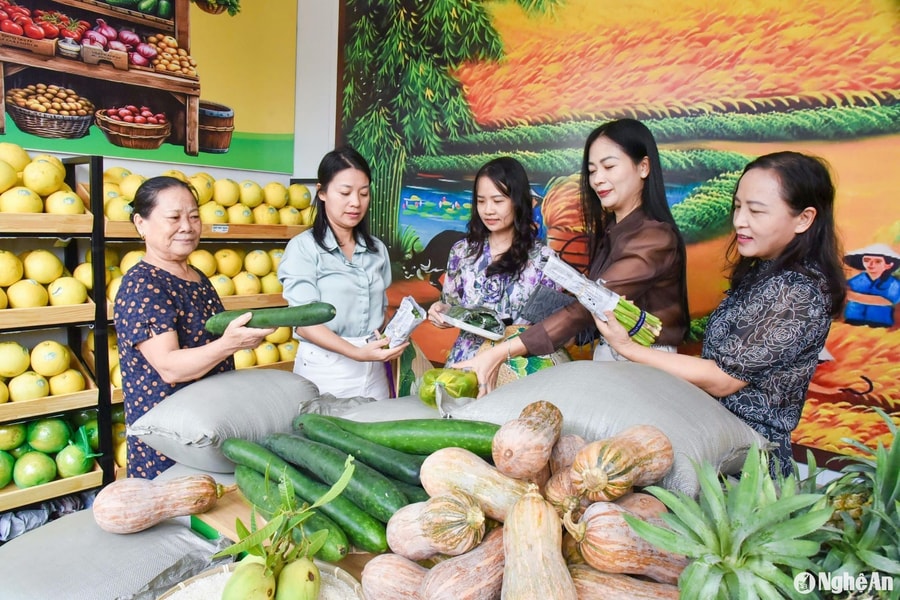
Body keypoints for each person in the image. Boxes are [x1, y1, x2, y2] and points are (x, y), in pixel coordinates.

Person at [591, 151, 847, 477]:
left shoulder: (796, 292)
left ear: (804, 218)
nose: (740, 220)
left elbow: (723, 379)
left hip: (746, 466)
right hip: (714, 441)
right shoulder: (767, 270)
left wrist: (629, 349)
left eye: (756, 211)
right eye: (738, 206)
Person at [456, 119, 689, 391]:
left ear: (643, 167)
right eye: (592, 171)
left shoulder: (655, 238)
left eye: (609, 166)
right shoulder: (613, 232)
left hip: (647, 369)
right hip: (612, 358)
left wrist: (499, 353)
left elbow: (590, 305)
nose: (598, 179)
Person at [114, 176, 275, 479]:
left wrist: (238, 339)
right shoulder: (143, 285)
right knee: (175, 515)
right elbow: (169, 367)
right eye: (174, 217)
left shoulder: (197, 277)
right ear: (141, 223)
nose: (187, 226)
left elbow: (209, 342)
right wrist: (229, 344)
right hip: (171, 438)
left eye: (194, 216)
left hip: (207, 426)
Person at [278, 146, 407, 398]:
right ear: (322, 192)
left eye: (364, 193)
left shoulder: (376, 250)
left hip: (373, 366)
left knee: (375, 432)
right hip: (326, 367)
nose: (355, 203)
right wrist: (355, 352)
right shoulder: (303, 249)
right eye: (345, 192)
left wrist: (395, 335)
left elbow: (380, 311)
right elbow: (304, 324)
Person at [427, 156, 561, 366]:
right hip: (465, 365)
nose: (488, 210)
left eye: (498, 201)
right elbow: (451, 305)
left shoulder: (545, 261)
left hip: (519, 370)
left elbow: (552, 329)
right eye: (481, 201)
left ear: (518, 201)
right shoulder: (462, 252)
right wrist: (441, 312)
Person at [842, 243, 900, 328]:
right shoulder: (855, 280)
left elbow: (887, 301)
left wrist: (852, 296)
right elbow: (842, 294)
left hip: (880, 324)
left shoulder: (894, 284)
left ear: (889, 265)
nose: (870, 264)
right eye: (866, 260)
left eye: (877, 261)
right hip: (852, 322)